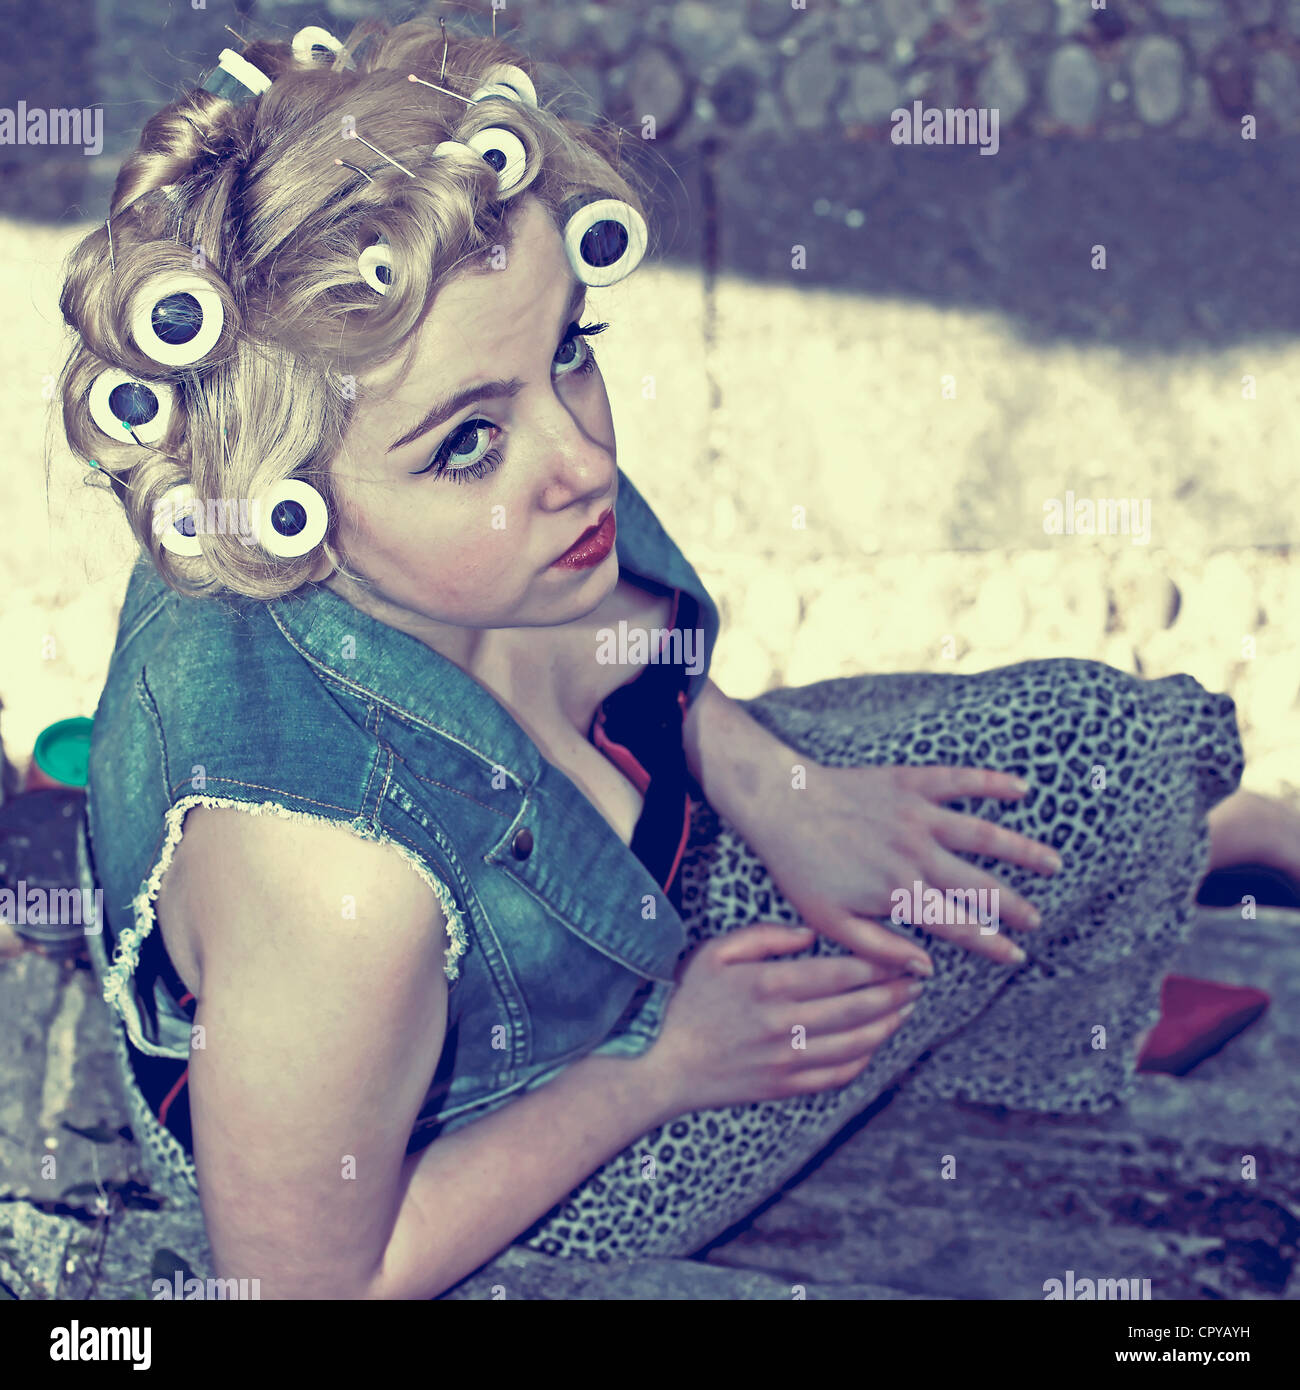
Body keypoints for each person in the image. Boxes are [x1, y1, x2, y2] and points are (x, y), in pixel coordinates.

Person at [59, 14, 1280, 1300]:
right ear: (289, 508)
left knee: (1102, 749)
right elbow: (307, 1286)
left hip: (645, 898)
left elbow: (633, 647)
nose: (582, 459)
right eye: (469, 441)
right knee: (1043, 842)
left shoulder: (455, 505)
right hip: (511, 1156)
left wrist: (768, 784)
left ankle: (1221, 848)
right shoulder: (335, 891)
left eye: (570, 350)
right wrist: (660, 1071)